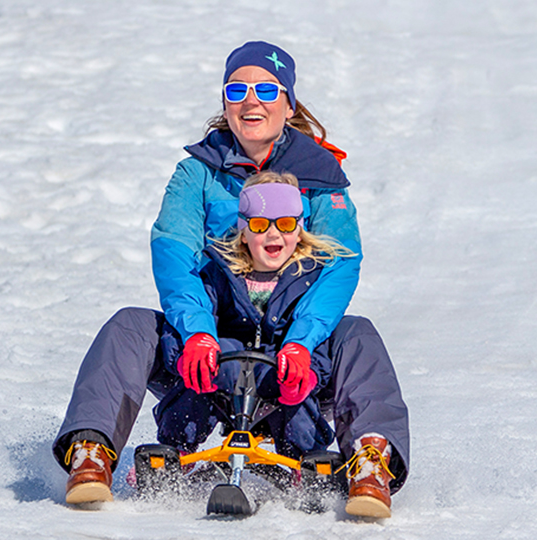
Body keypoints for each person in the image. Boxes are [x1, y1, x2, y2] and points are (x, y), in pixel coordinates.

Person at [53, 40, 409, 518]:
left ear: (288, 102)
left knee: (358, 336)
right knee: (131, 326)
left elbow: (340, 262)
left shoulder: (321, 175)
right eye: (237, 89)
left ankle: (371, 462)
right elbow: (175, 252)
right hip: (209, 345)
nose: (250, 100)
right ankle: (91, 452)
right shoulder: (197, 172)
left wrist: (303, 342)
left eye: (265, 88)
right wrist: (197, 332)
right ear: (224, 101)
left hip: (294, 353)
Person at [155, 171, 354, 460]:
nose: (273, 234)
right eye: (260, 225)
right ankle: (176, 448)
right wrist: (190, 350)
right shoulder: (218, 272)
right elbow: (198, 312)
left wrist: (310, 369)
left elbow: (320, 334)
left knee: (293, 380)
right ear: (244, 233)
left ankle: (306, 457)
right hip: (222, 381)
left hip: (283, 378)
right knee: (207, 365)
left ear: (298, 232)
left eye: (285, 224)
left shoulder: (310, 278)